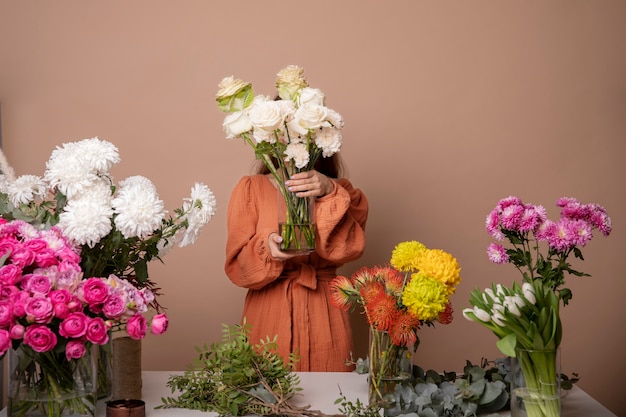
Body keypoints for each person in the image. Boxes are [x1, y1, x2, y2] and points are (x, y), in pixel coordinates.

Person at [224, 154, 368, 371]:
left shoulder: (344, 193)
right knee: (266, 396)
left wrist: (329, 191)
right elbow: (237, 268)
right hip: (268, 312)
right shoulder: (251, 189)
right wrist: (266, 248)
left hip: (325, 312)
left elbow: (346, 249)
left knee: (330, 396)